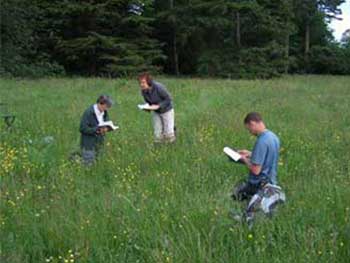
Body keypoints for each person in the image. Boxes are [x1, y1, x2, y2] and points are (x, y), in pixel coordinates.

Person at [232, 112, 280, 201]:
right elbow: (269, 155)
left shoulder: (261, 141)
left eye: (249, 129)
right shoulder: (273, 137)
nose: (250, 132)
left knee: (235, 198)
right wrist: (250, 153)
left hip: (258, 185)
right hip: (271, 182)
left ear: (252, 124)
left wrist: (243, 159)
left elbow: (256, 170)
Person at [138, 72, 175, 143]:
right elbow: (149, 102)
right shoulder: (143, 91)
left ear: (148, 82)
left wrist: (159, 106)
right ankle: (159, 147)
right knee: (157, 133)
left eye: (143, 82)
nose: (141, 85)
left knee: (168, 132)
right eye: (140, 83)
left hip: (167, 111)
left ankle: (171, 147)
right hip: (156, 112)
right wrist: (146, 108)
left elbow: (168, 99)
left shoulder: (159, 87)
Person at [79, 95, 114, 165]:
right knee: (88, 164)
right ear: (100, 104)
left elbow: (106, 122)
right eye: (106, 106)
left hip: (99, 142)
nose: (106, 109)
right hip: (89, 144)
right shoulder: (89, 112)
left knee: (98, 164)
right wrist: (96, 130)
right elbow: (82, 128)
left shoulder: (104, 113)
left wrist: (107, 129)